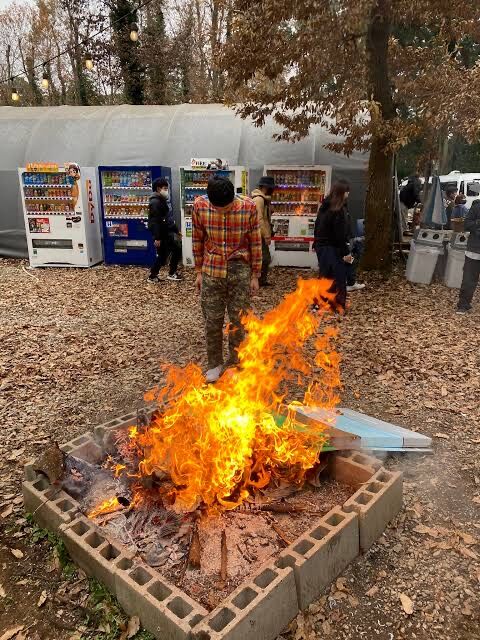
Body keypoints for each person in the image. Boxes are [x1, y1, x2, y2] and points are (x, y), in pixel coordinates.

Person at [193, 176, 262, 383]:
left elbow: (255, 241)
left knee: (239, 321)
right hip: (212, 271)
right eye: (218, 209)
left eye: (227, 208)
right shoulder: (199, 206)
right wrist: (198, 272)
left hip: (239, 270)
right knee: (212, 320)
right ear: (210, 201)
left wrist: (255, 275)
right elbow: (197, 239)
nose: (223, 212)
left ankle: (235, 364)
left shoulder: (248, 207)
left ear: (233, 197)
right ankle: (214, 364)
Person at [314, 179, 352, 311]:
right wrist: (346, 252)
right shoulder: (338, 209)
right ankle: (336, 305)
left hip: (321, 246)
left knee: (326, 276)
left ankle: (321, 303)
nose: (348, 194)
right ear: (343, 193)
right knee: (338, 276)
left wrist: (316, 244)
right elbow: (340, 234)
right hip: (332, 247)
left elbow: (317, 226)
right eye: (347, 192)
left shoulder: (325, 206)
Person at [147, 178, 182, 283]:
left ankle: (169, 273)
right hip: (161, 234)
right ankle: (154, 276)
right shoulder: (155, 202)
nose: (167, 191)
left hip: (166, 233)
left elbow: (167, 219)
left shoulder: (161, 200)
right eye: (165, 188)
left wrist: (176, 230)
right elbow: (155, 221)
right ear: (158, 189)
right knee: (164, 255)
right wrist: (157, 237)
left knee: (174, 250)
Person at [456, 199, 480, 314]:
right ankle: (463, 305)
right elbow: (466, 224)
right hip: (474, 250)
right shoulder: (477, 207)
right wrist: (477, 224)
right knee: (469, 280)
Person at [251, 176, 275, 286]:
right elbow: (259, 219)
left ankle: (261, 280)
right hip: (259, 234)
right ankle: (259, 281)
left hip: (260, 233)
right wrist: (266, 235)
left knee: (264, 258)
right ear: (266, 187)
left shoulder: (263, 199)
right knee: (265, 259)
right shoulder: (259, 199)